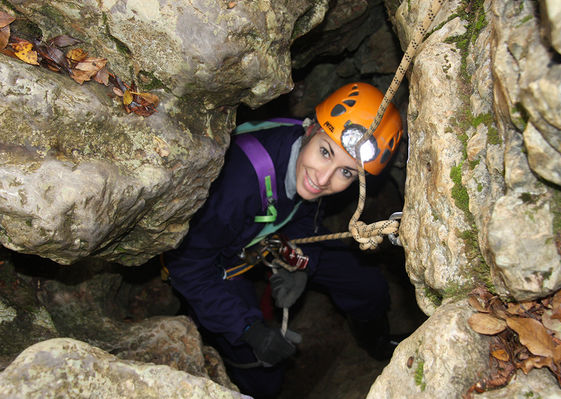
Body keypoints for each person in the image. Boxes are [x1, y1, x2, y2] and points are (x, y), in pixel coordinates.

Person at [165, 82, 404, 398]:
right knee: (265, 372)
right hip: (216, 260)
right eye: (325, 152)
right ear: (310, 129)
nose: (322, 179)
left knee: (366, 286)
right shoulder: (235, 188)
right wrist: (248, 329)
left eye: (346, 173)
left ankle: (376, 344)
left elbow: (305, 213)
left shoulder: (305, 164)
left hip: (270, 234)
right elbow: (188, 269)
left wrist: (304, 265)